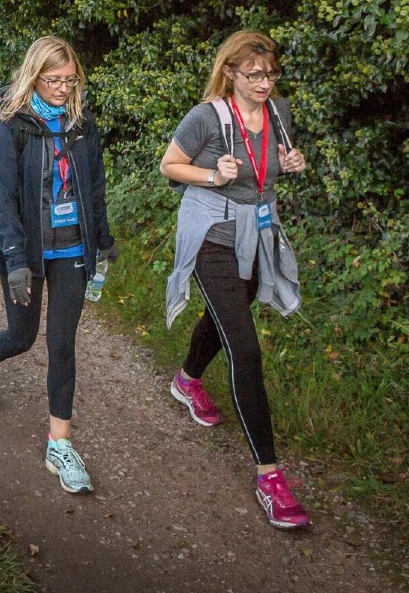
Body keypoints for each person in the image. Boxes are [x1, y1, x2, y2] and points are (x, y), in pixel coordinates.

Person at [156, 29, 311, 530]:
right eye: (254, 75)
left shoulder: (279, 114)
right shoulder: (206, 118)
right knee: (245, 347)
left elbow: (269, 170)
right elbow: (170, 166)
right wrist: (212, 176)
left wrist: (290, 164)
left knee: (225, 318)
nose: (265, 83)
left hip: (256, 235)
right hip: (211, 235)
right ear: (230, 73)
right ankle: (271, 477)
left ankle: (186, 380)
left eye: (271, 73)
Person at [0, 35, 114, 495]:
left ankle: (59, 445)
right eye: (53, 80)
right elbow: (3, 198)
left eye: (70, 80)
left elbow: (94, 188)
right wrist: (14, 259)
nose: (62, 88)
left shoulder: (81, 123)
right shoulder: (11, 124)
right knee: (23, 335)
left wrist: (103, 242)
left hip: (72, 248)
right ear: (34, 75)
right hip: (26, 251)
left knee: (62, 345)